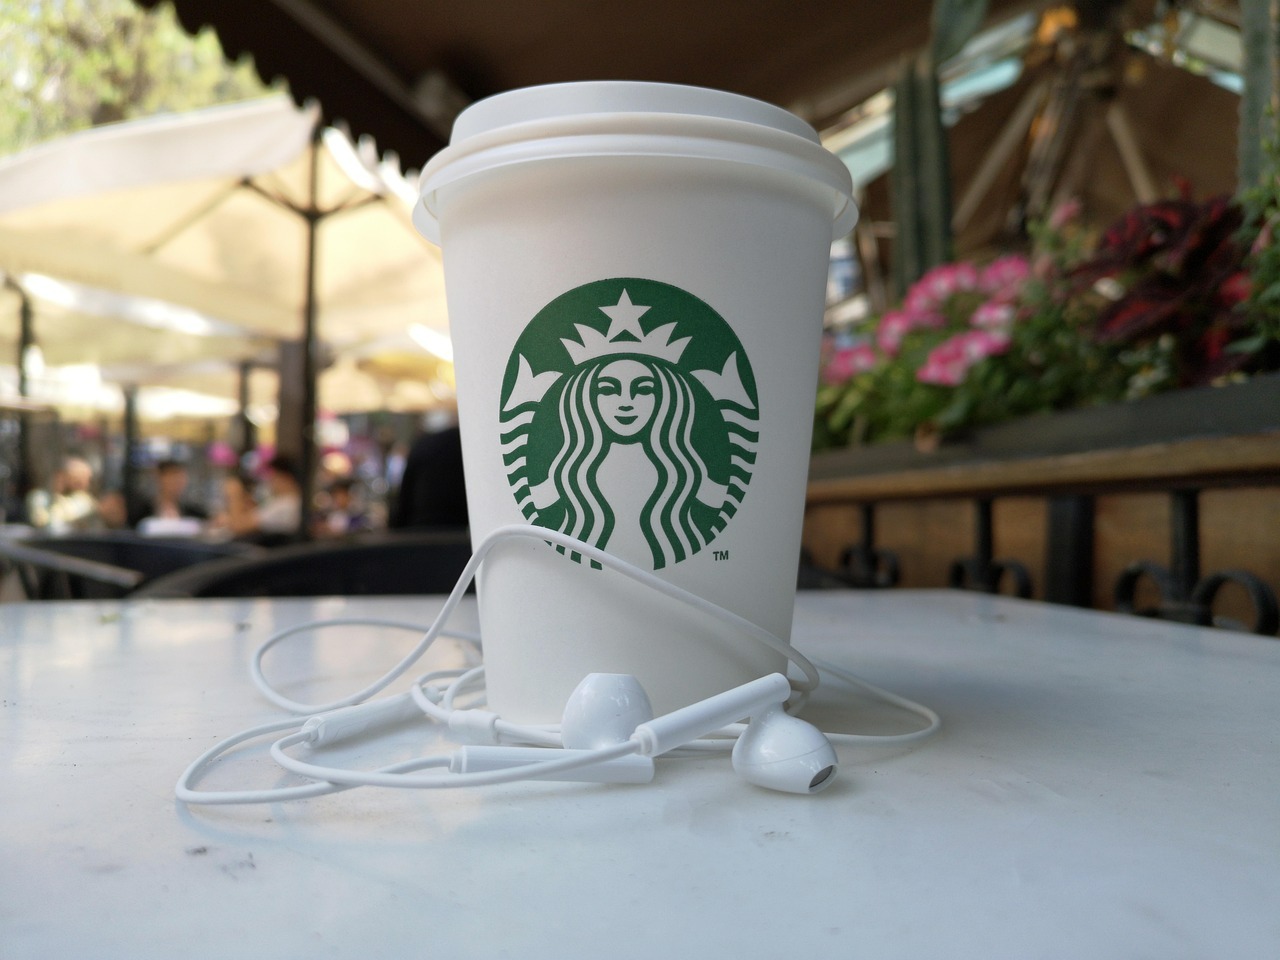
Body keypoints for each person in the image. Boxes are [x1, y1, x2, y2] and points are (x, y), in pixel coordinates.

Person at [391, 421, 468, 530]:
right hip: (463, 532)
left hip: (421, 531)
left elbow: (403, 501)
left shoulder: (423, 445)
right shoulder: (469, 446)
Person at [27, 456, 101, 534]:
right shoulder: (39, 497)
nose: (85, 484)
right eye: (78, 480)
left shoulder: (85, 501)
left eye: (87, 479)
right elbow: (42, 522)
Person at [134, 460, 208, 534]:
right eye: (172, 477)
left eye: (180, 479)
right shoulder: (141, 511)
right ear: (159, 478)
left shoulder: (193, 512)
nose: (177, 483)